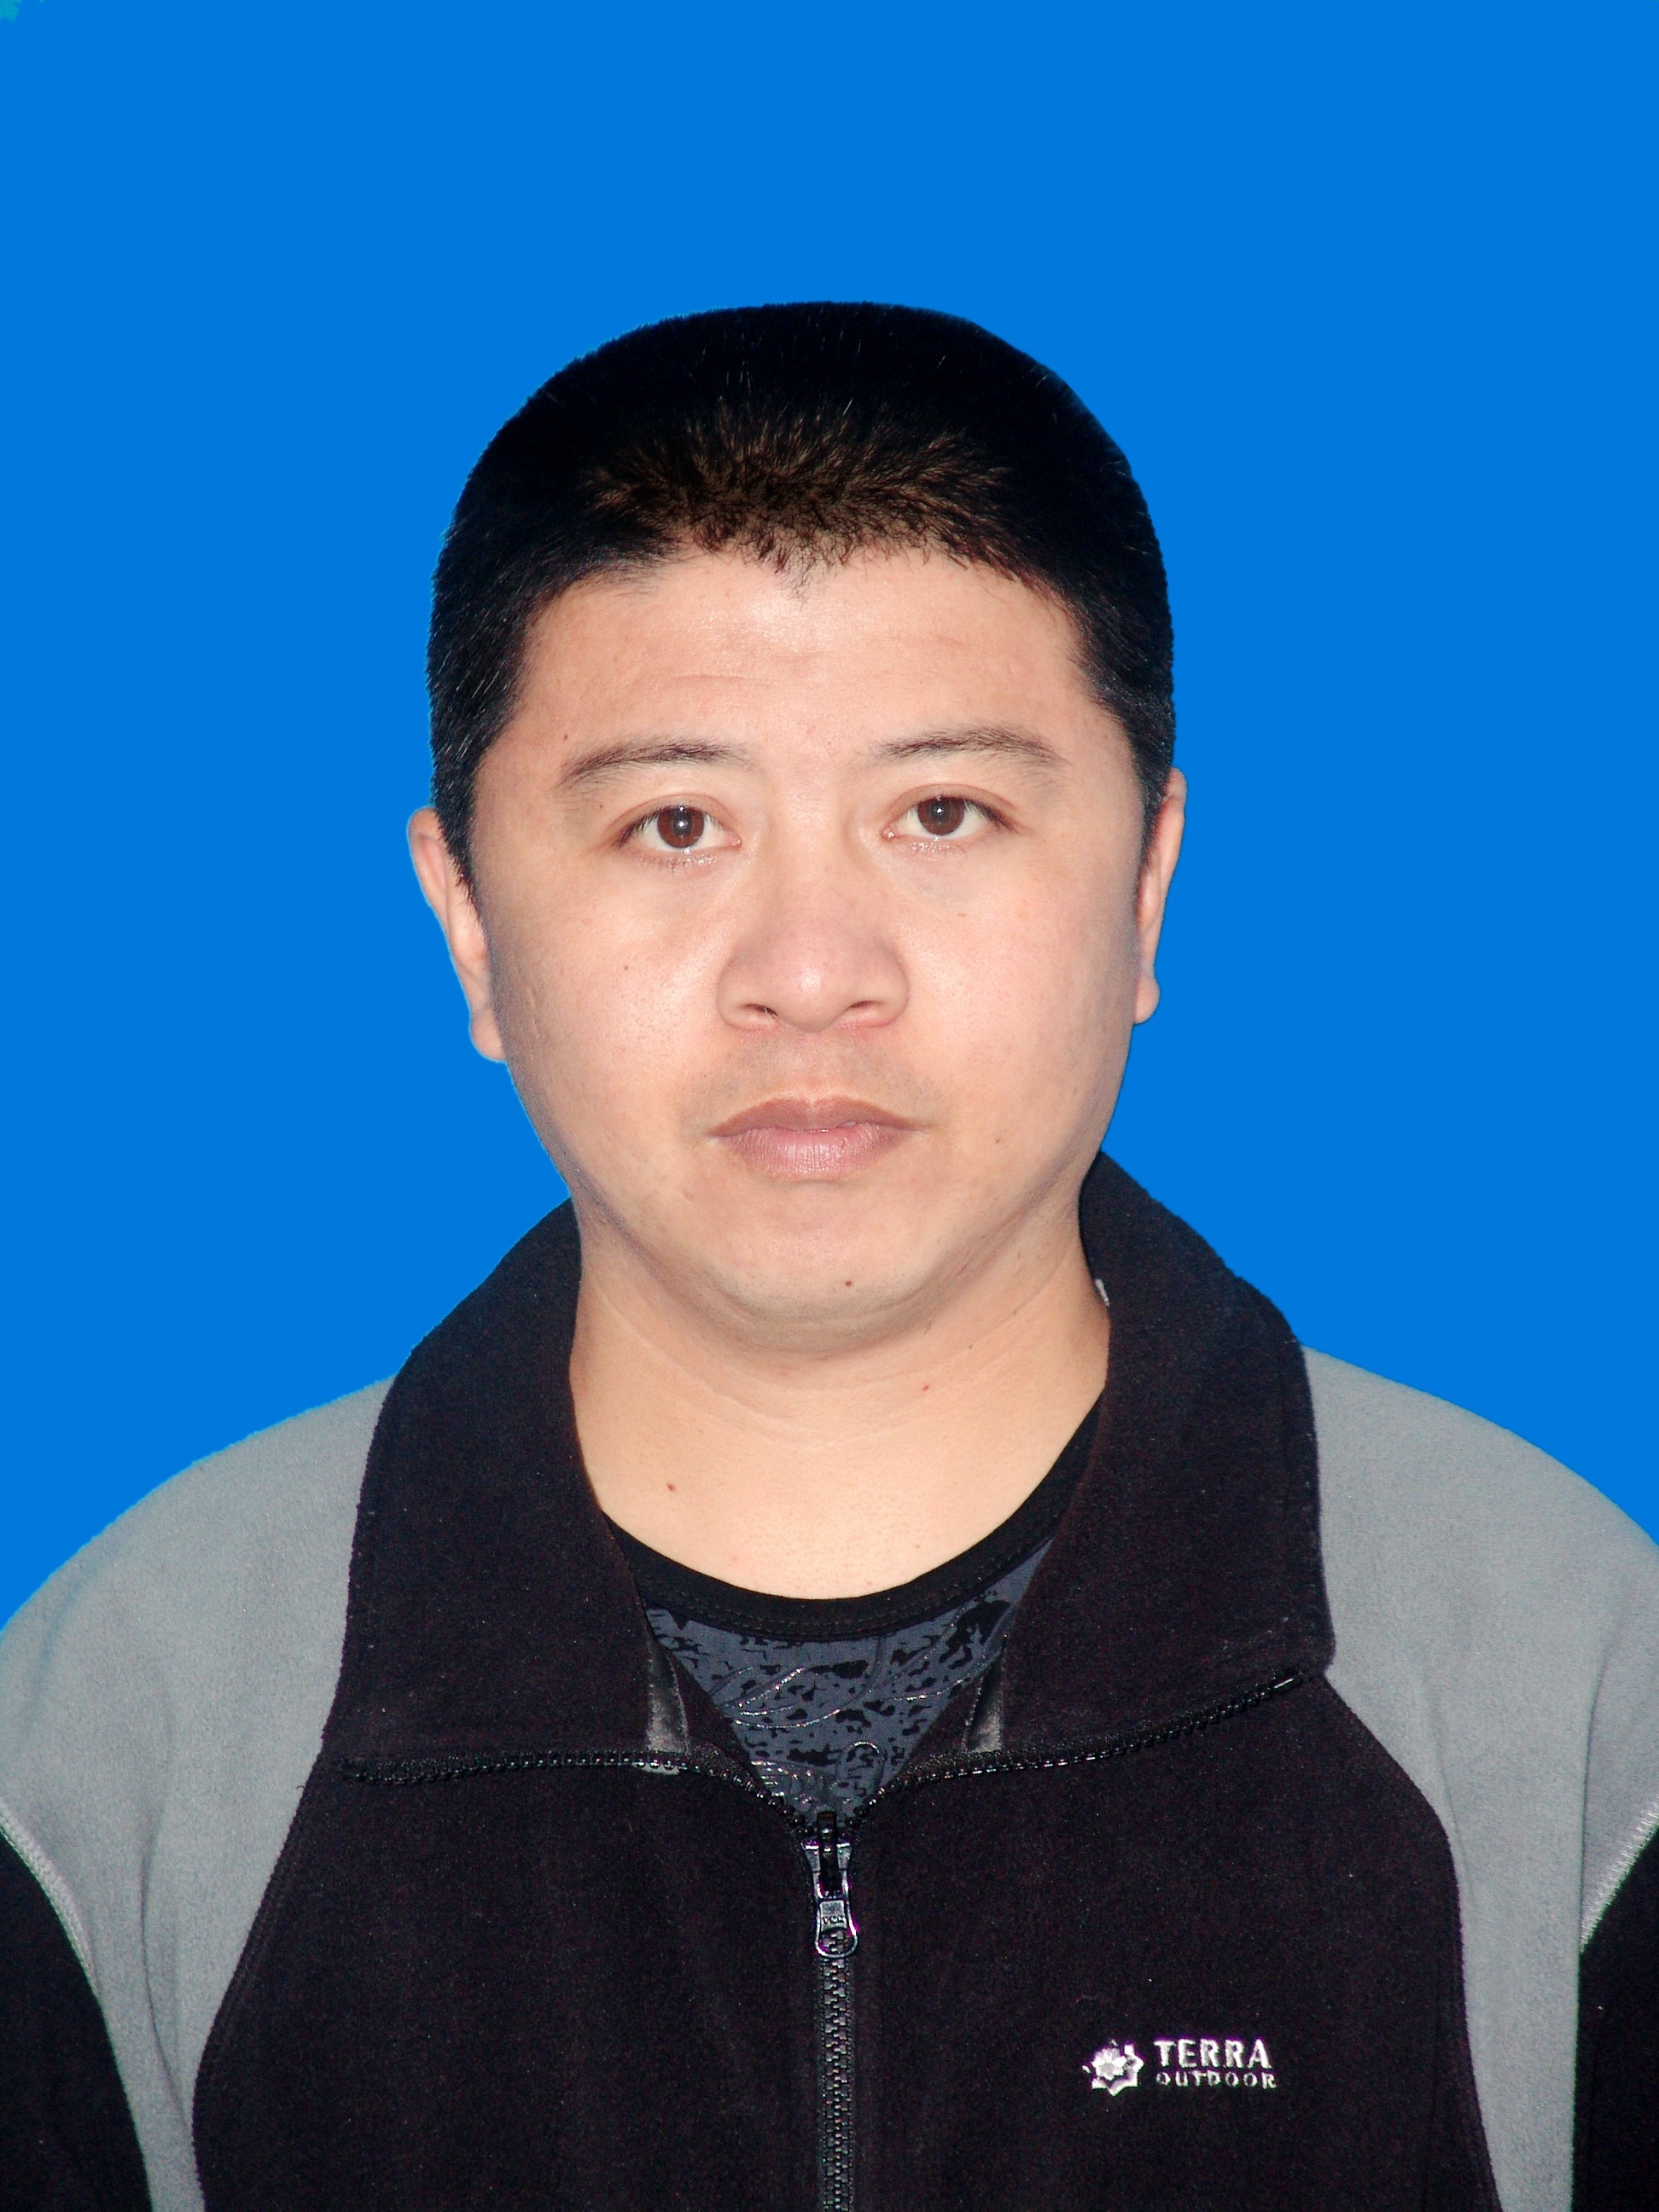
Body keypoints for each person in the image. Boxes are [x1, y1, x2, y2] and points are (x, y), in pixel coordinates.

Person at [1, 303, 1653, 2212]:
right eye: (674, 824)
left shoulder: (1568, 1691)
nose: (810, 971)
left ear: (1146, 884)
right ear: (468, 922)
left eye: (943, 813)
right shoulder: (122, 1743)